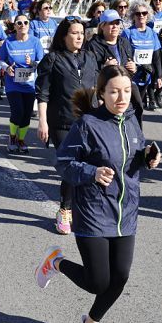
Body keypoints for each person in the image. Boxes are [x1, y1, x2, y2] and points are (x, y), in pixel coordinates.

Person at [35, 65, 161, 323]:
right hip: (93, 212)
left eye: (126, 91)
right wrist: (91, 172)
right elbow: (63, 163)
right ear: (101, 94)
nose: (121, 97)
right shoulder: (87, 124)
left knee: (120, 276)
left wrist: (147, 159)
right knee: (97, 281)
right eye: (114, 91)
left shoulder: (131, 121)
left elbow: (130, 160)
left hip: (125, 212)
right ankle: (56, 262)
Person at [36, 17, 100, 234]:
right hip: (61, 123)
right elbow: (43, 93)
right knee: (72, 167)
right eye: (74, 33)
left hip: (88, 122)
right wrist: (42, 122)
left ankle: (83, 209)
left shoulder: (90, 57)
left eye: (81, 32)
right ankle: (65, 209)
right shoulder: (52, 59)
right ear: (63, 36)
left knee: (89, 166)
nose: (79, 36)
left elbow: (97, 91)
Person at [0, 12, 44, 153]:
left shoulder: (35, 42)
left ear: (29, 25)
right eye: (19, 23)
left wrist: (33, 63)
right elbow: (0, 60)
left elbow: (41, 62)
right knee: (17, 111)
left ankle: (21, 139)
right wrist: (7, 68)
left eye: (25, 23)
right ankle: (12, 137)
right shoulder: (9, 42)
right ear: (15, 26)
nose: (22, 25)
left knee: (26, 114)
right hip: (13, 83)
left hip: (29, 84)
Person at [88, 9, 144, 123]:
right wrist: (104, 67)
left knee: (135, 114)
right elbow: (89, 73)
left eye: (117, 23)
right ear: (102, 26)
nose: (115, 27)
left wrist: (134, 67)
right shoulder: (93, 45)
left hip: (126, 88)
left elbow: (130, 64)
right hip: (107, 91)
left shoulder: (124, 42)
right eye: (111, 23)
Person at [121, 2, 162, 112]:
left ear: (148, 15)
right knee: (133, 106)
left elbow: (156, 57)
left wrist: (159, 76)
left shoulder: (152, 33)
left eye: (144, 13)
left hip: (146, 76)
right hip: (132, 76)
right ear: (133, 16)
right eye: (138, 13)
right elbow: (123, 54)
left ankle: (136, 127)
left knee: (139, 108)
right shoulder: (127, 33)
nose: (141, 16)